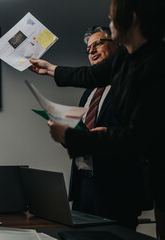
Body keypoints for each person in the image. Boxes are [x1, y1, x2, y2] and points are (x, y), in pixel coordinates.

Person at [29, 0, 164, 237]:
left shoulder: (154, 64)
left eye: (112, 19)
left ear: (131, 19)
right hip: (87, 189)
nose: (111, 24)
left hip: (123, 188)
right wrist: (49, 69)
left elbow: (139, 137)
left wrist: (76, 138)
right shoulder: (126, 61)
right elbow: (88, 75)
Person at [64, 26, 150, 230]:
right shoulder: (88, 93)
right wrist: (68, 136)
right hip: (83, 188)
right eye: (88, 49)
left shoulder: (131, 84)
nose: (91, 51)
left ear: (118, 45)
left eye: (98, 44)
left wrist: (105, 137)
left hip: (118, 190)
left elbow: (139, 138)